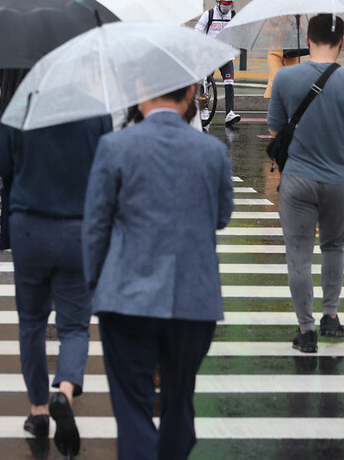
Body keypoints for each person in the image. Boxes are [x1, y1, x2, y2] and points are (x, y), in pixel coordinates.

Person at [83, 84, 234, 460]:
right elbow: (221, 216)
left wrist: (96, 285)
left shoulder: (115, 147)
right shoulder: (213, 151)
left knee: (132, 407)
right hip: (193, 299)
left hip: (126, 296)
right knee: (179, 399)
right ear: (190, 96)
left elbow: (95, 227)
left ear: (138, 93)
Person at [0, 114, 112, 453]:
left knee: (31, 322)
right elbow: (106, 168)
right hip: (78, 230)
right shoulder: (96, 113)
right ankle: (66, 392)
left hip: (30, 227)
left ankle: (39, 410)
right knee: (74, 327)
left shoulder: (24, 107)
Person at [268, 14, 344, 353]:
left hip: (298, 180)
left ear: (308, 39)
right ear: (342, 42)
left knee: (298, 256)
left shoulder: (286, 77)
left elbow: (275, 131)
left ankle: (306, 331)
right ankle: (331, 316)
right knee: (334, 249)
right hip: (339, 181)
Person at [194, 0, 241, 126]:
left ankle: (230, 113)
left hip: (226, 56)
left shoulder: (233, 16)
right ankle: (204, 110)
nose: (227, 7)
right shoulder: (208, 15)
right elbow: (197, 31)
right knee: (205, 83)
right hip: (210, 55)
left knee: (229, 84)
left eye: (229, 4)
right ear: (217, 2)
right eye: (225, 4)